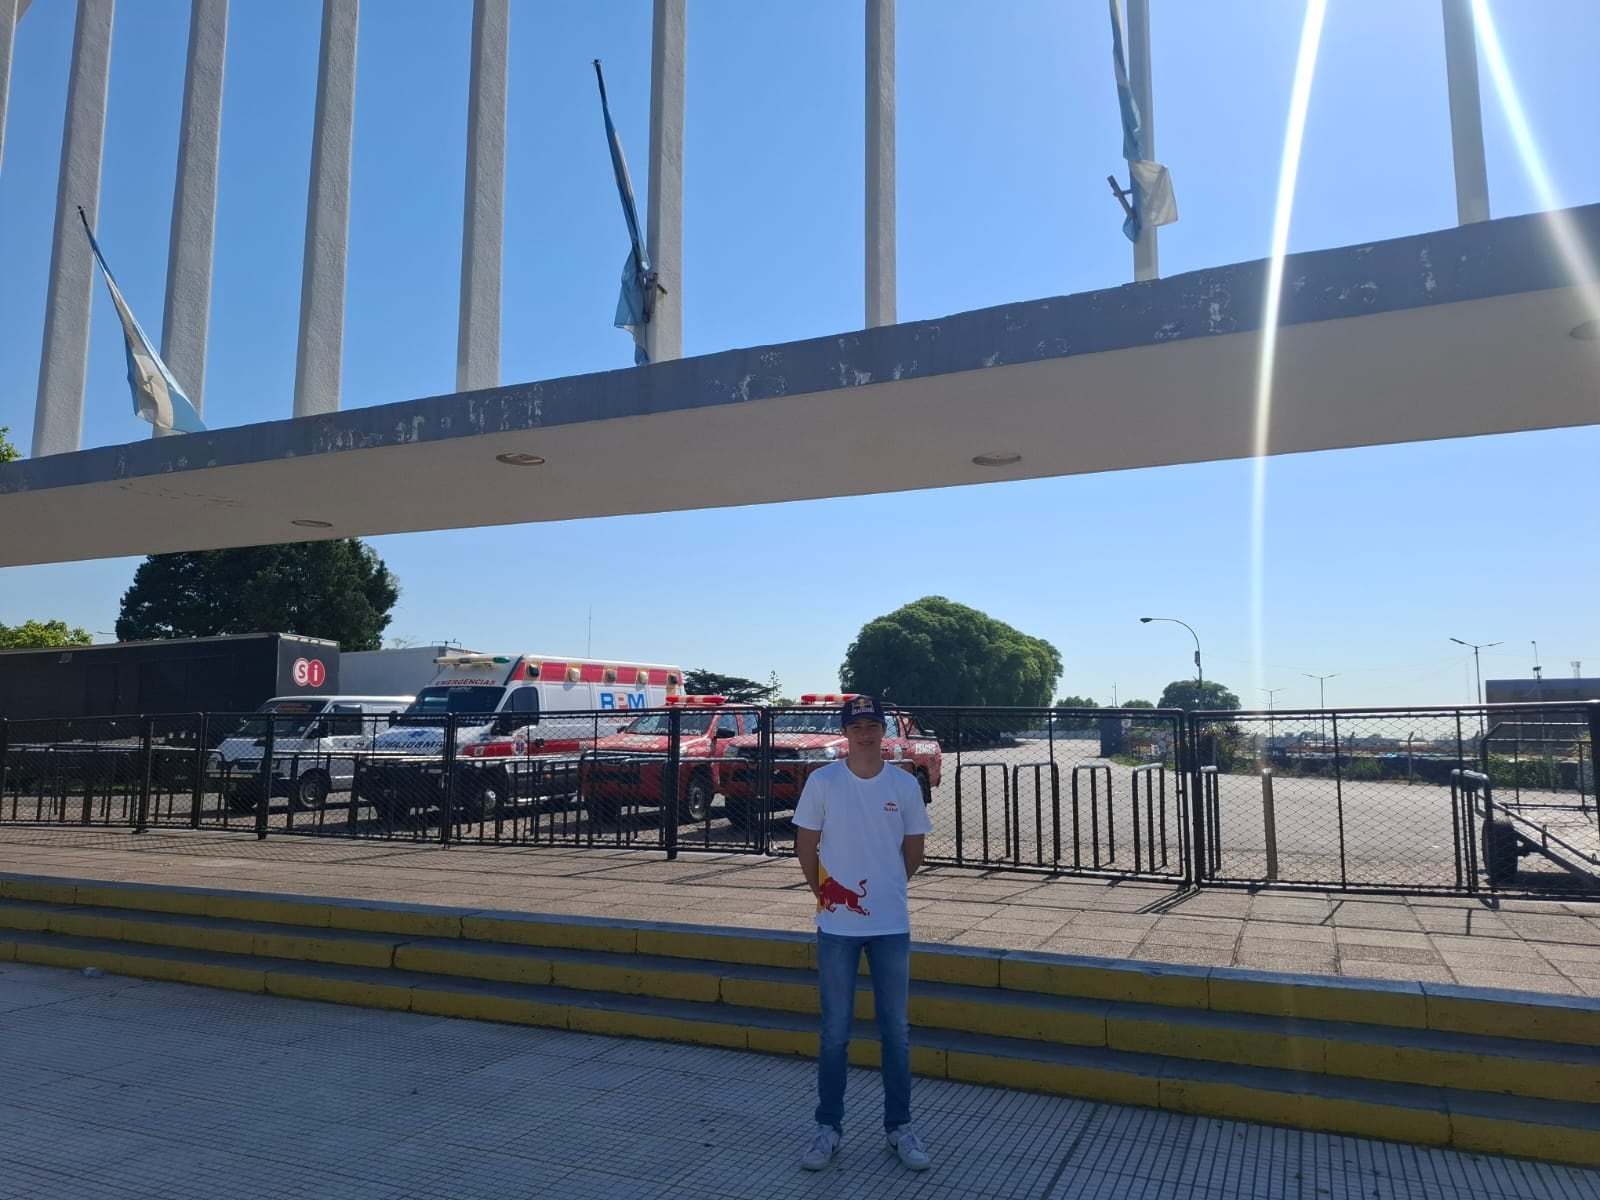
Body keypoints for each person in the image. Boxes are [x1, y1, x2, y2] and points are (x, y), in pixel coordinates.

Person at [793, 694, 933, 1172]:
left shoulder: (905, 783)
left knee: (896, 1031)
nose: (866, 735)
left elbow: (912, 851)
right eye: (858, 727)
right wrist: (827, 895)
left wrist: (888, 890)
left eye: (874, 726)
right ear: (846, 733)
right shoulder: (823, 781)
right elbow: (806, 847)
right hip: (836, 928)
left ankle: (900, 1128)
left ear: (884, 731)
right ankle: (828, 1127)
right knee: (835, 1033)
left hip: (891, 926)